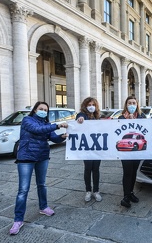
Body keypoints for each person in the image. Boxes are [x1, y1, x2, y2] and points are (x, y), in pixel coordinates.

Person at [10, 101, 68, 235]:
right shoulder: (27, 120)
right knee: (23, 190)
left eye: (45, 110)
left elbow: (53, 138)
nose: (43, 111)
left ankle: (43, 207)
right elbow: (37, 130)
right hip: (26, 158)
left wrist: (62, 137)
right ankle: (18, 220)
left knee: (42, 184)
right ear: (35, 110)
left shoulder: (47, 124)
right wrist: (57, 125)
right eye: (41, 109)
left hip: (42, 157)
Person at [118, 96, 146, 208]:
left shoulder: (142, 116)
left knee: (134, 171)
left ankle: (131, 193)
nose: (132, 105)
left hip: (137, 150)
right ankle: (125, 196)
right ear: (126, 105)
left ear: (137, 104)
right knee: (127, 172)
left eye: (134, 103)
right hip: (125, 151)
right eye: (129, 103)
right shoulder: (121, 117)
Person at [76, 97, 102, 202]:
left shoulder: (97, 117)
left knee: (96, 169)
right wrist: (80, 119)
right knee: (88, 168)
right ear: (85, 106)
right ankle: (88, 190)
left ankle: (96, 191)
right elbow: (79, 118)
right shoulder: (82, 115)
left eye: (93, 105)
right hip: (86, 148)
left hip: (97, 147)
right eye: (89, 105)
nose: (91, 107)